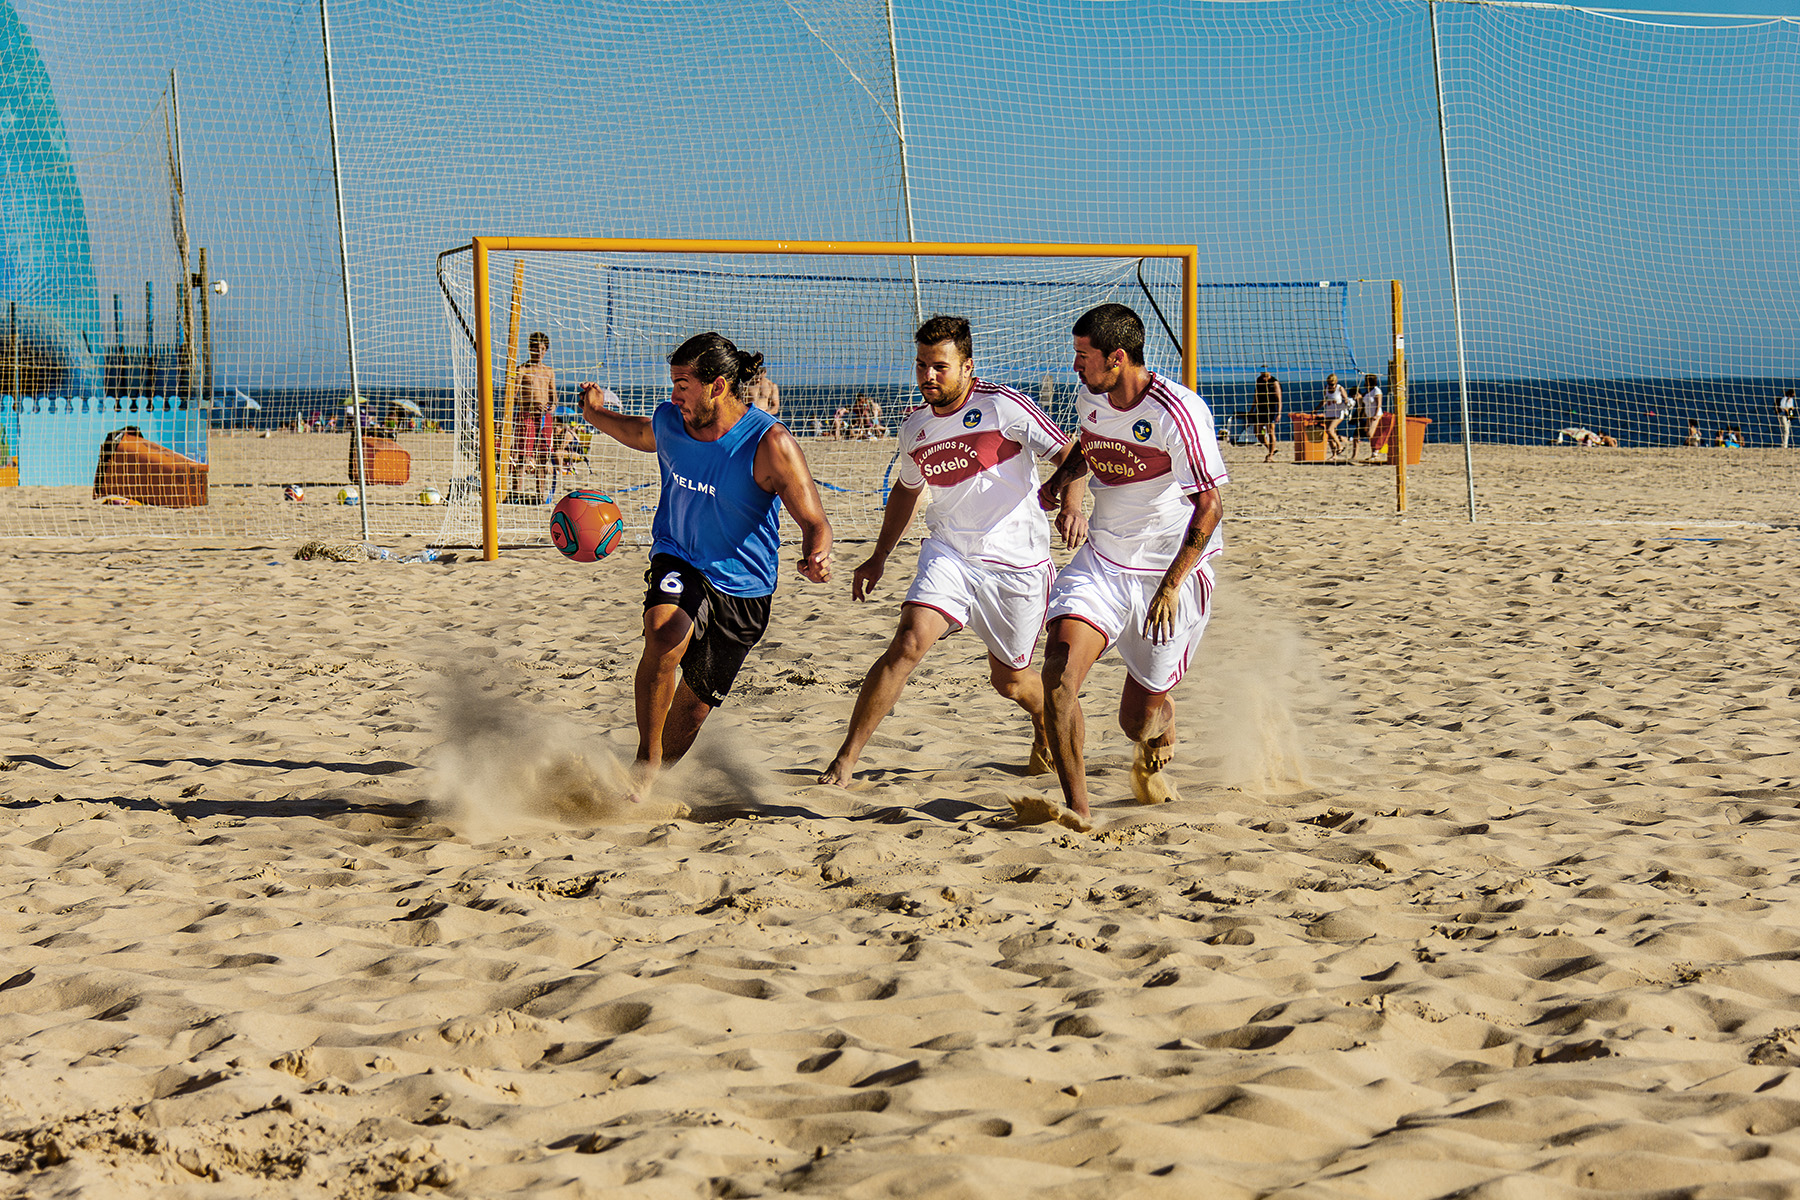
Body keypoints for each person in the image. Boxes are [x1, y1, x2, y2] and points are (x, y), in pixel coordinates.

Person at [818, 315, 1087, 788]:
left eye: (939, 366)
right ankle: (845, 760)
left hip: (1018, 566)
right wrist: (879, 556)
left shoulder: (1002, 405)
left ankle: (1045, 719)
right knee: (908, 641)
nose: (928, 375)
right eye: (921, 365)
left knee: (1010, 682)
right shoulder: (914, 427)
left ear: (967, 366)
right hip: (950, 554)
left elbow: (1071, 455)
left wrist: (1072, 506)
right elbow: (906, 491)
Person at [576, 332, 833, 794]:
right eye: (673, 384)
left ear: (717, 386)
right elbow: (638, 433)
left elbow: (814, 519)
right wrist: (594, 413)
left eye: (683, 385)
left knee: (692, 711)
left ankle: (654, 783)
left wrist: (816, 553)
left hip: (745, 587)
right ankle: (644, 764)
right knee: (663, 633)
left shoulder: (770, 442)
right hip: (679, 556)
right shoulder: (670, 421)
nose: (674, 395)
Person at [1028, 303, 1228, 832]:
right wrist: (1057, 485)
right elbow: (1088, 448)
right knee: (1057, 675)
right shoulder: (1089, 395)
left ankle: (1161, 721)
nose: (1075, 365)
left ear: (1117, 358)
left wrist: (1171, 586)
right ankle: (1079, 810)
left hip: (1169, 574)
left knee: (1135, 723)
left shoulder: (1177, 412)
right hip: (1103, 561)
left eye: (1083, 355)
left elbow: (1210, 507)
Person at [512, 331, 555, 502]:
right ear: (530, 348)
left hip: (544, 418)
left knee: (543, 456)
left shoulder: (549, 371)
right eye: (536, 348)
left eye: (543, 349)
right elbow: (513, 397)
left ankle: (540, 495)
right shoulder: (522, 369)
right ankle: (516, 494)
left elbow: (553, 397)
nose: (539, 352)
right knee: (523, 455)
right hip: (526, 415)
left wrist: (551, 407)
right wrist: (530, 404)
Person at [1253, 367, 1283, 462]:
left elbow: (1279, 399)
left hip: (1271, 410)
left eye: (1265, 375)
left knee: (1271, 431)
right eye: (1262, 374)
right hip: (1260, 409)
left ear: (1269, 373)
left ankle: (1270, 455)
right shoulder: (1259, 380)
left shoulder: (1274, 382)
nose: (1264, 376)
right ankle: (1270, 448)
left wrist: (1279, 413)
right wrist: (1252, 408)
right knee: (1259, 432)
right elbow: (1256, 395)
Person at [1320, 373, 1350, 459]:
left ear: (1336, 383)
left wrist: (1346, 402)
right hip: (1329, 412)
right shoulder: (1326, 388)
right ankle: (1334, 455)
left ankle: (1340, 446)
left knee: (1330, 430)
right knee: (1329, 434)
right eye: (1329, 384)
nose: (1331, 386)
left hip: (1338, 413)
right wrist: (1316, 409)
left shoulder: (1340, 388)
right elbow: (1324, 400)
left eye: (1332, 384)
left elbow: (1346, 399)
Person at [1355, 373, 1384, 462]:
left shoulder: (1376, 391)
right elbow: (1364, 404)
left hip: (1376, 415)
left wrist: (1375, 415)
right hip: (1368, 415)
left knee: (1372, 433)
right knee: (1367, 433)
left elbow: (1379, 404)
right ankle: (1373, 453)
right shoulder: (1368, 392)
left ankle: (1376, 453)